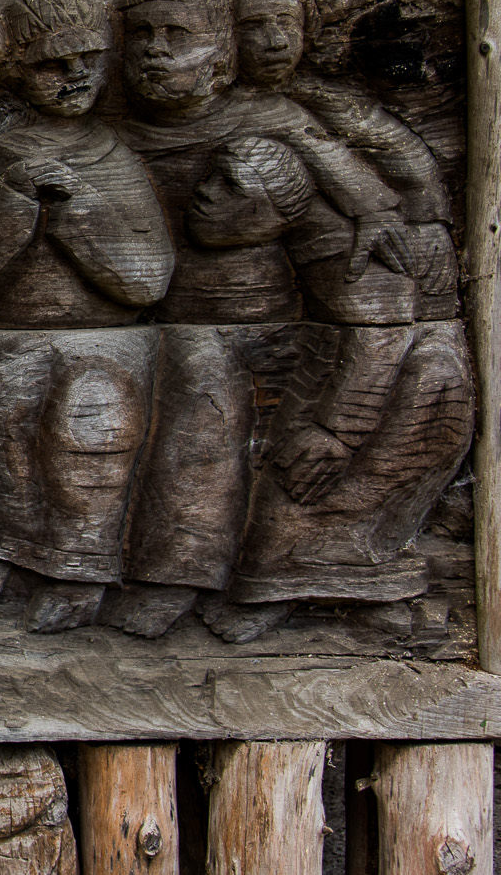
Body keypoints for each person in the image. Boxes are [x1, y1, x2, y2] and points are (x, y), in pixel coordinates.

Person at [112, 0, 419, 637]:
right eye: (140, 36)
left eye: (177, 36)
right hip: (151, 325)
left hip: (269, 332)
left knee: (205, 384)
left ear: (223, 56)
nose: (154, 51)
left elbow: (348, 186)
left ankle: (184, 575)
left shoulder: (268, 127)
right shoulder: (114, 132)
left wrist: (372, 205)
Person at [0, 0, 175, 633]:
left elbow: (148, 280)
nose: (74, 77)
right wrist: (12, 204)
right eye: (52, 64)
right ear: (17, 67)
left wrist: (75, 211)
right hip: (10, 336)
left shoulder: (113, 157)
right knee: (1, 427)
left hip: (108, 342)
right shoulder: (0, 156)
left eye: (89, 59)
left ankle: (79, 566)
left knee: (88, 430)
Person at [184, 137, 474, 639]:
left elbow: (380, 346)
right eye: (212, 177)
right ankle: (308, 595)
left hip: (407, 396)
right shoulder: (318, 236)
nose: (207, 193)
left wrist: (336, 435)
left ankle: (324, 596)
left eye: (231, 186)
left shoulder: (350, 252)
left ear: (284, 205)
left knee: (300, 497)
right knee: (281, 490)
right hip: (345, 381)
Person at [227, 0, 456, 315]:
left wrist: (427, 221)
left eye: (287, 22)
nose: (276, 40)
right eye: (252, 25)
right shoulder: (217, 105)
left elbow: (396, 146)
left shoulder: (324, 99)